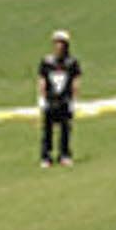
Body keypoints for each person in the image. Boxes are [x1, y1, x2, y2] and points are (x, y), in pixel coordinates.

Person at [38, 28, 82, 167]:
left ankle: (64, 155)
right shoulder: (47, 62)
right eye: (57, 43)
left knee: (65, 130)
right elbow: (42, 80)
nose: (59, 46)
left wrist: (74, 100)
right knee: (47, 131)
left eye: (61, 43)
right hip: (51, 100)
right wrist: (42, 98)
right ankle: (46, 156)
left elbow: (76, 81)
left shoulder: (71, 63)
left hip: (65, 100)